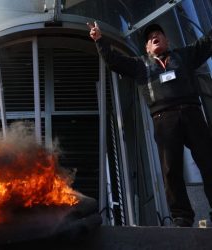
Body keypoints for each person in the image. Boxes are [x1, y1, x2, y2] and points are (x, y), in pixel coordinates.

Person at [88, 21, 212, 227]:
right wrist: (99, 40)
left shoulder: (185, 55)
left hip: (192, 113)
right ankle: (181, 216)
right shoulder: (140, 64)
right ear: (146, 47)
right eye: (150, 37)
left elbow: (207, 42)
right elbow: (113, 61)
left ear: (167, 40)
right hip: (163, 119)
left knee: (209, 162)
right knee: (170, 169)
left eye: (158, 34)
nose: (154, 37)